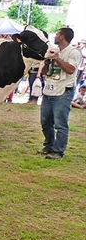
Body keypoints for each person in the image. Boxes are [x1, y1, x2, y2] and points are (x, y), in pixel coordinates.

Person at [38, 27, 81, 160]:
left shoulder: (73, 52)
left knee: (60, 123)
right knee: (45, 121)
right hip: (49, 89)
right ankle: (49, 145)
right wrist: (46, 63)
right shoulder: (54, 52)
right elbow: (45, 73)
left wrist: (57, 59)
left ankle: (58, 150)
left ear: (62, 36)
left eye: (57, 34)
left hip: (63, 91)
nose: (55, 37)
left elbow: (71, 69)